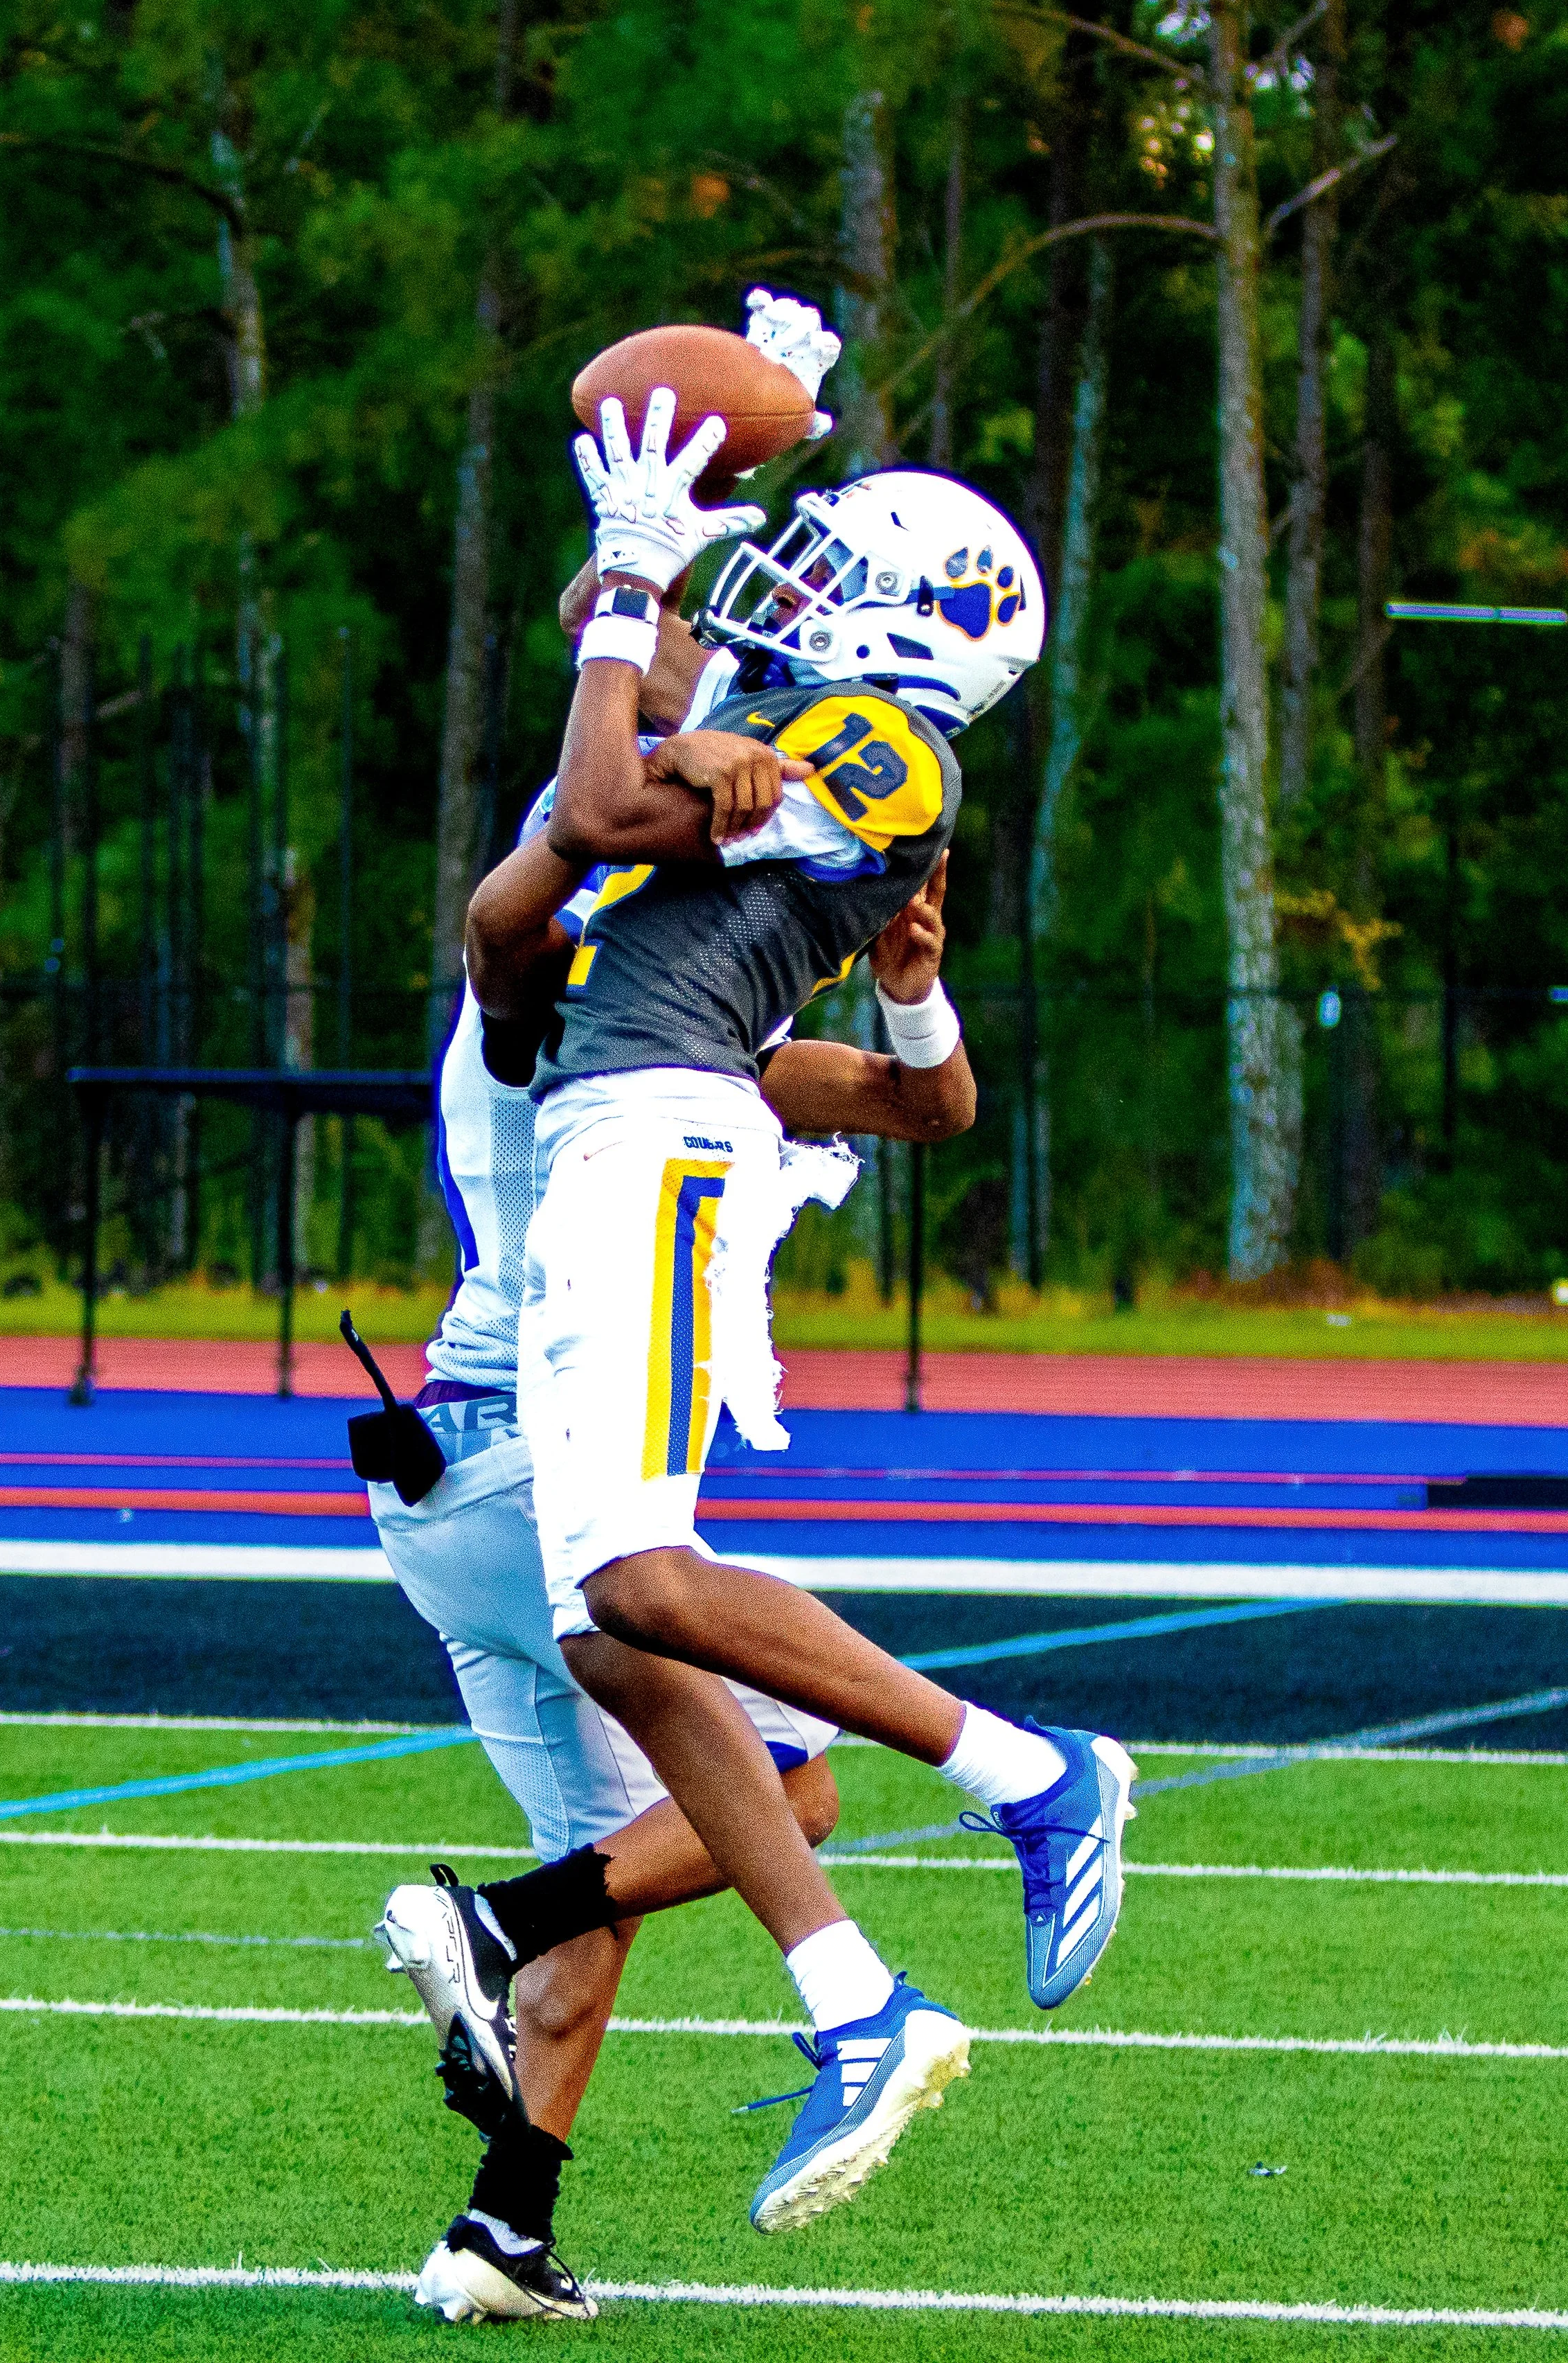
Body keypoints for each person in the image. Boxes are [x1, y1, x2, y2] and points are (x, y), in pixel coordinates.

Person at [412, 390, 1134, 2241]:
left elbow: (602, 789)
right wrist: (660, 665)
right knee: (625, 1646)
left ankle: (1028, 1775)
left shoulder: (880, 753)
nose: (781, 591)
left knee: (643, 1591)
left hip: (650, 1160)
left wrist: (651, 586)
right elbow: (538, 865)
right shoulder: (571, 928)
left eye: (831, 567)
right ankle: (833, 2016)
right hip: (604, 1178)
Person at [358, 468, 977, 2313]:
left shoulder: (690, 1027)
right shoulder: (543, 975)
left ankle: (504, 2223)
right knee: (780, 1782)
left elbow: (927, 1104)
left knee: (629, 1835)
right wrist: (638, 605)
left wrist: (914, 986)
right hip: (516, 1453)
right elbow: (549, 846)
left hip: (454, 1481)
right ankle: (495, 1926)